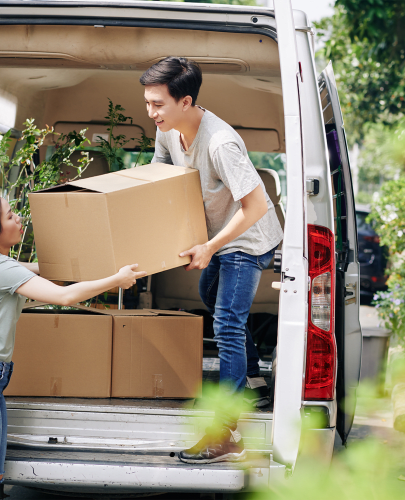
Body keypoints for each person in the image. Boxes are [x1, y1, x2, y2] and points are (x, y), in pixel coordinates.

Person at [0, 191, 145, 499]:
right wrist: (116, 279)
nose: (18, 218)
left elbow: (46, 269)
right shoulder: (0, 268)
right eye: (10, 216)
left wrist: (101, 262)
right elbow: (64, 296)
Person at [140, 57, 284, 464]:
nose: (150, 113)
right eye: (148, 103)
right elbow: (161, 167)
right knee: (213, 298)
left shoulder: (220, 144)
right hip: (218, 237)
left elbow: (255, 205)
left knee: (226, 323)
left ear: (185, 102)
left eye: (158, 104)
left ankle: (227, 432)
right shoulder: (168, 131)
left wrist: (209, 246)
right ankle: (254, 377)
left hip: (247, 238)